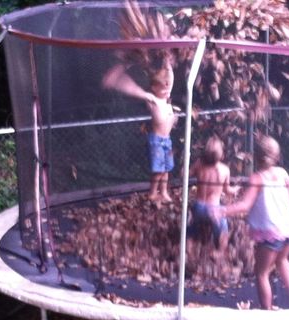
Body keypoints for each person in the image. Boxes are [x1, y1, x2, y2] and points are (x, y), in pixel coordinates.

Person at [217, 135, 289, 310]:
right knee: (283, 262)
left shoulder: (257, 178)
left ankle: (266, 310)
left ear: (255, 157)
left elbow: (245, 205)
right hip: (288, 228)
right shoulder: (283, 173)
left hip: (270, 232)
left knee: (262, 273)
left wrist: (223, 210)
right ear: (277, 156)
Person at [102, 61, 176, 202]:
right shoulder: (153, 99)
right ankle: (153, 193)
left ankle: (164, 192)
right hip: (157, 141)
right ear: (154, 88)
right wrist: (118, 82)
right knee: (158, 170)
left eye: (167, 85)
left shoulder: (166, 97)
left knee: (166, 169)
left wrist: (167, 64)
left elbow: (170, 79)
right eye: (163, 86)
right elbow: (136, 90)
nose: (167, 88)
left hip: (167, 140)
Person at [187, 136, 239, 254]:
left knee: (192, 226)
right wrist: (234, 189)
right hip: (214, 210)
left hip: (199, 207)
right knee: (222, 229)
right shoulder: (224, 170)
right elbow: (227, 190)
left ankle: (188, 248)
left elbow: (186, 174)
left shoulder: (199, 164)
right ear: (221, 155)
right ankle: (220, 251)